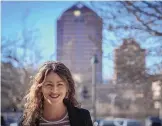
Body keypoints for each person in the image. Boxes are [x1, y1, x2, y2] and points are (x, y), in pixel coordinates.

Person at [18, 61, 93, 126]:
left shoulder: (83, 117)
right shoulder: (26, 121)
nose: (54, 90)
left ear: (67, 88)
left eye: (60, 84)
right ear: (40, 88)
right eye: (49, 84)